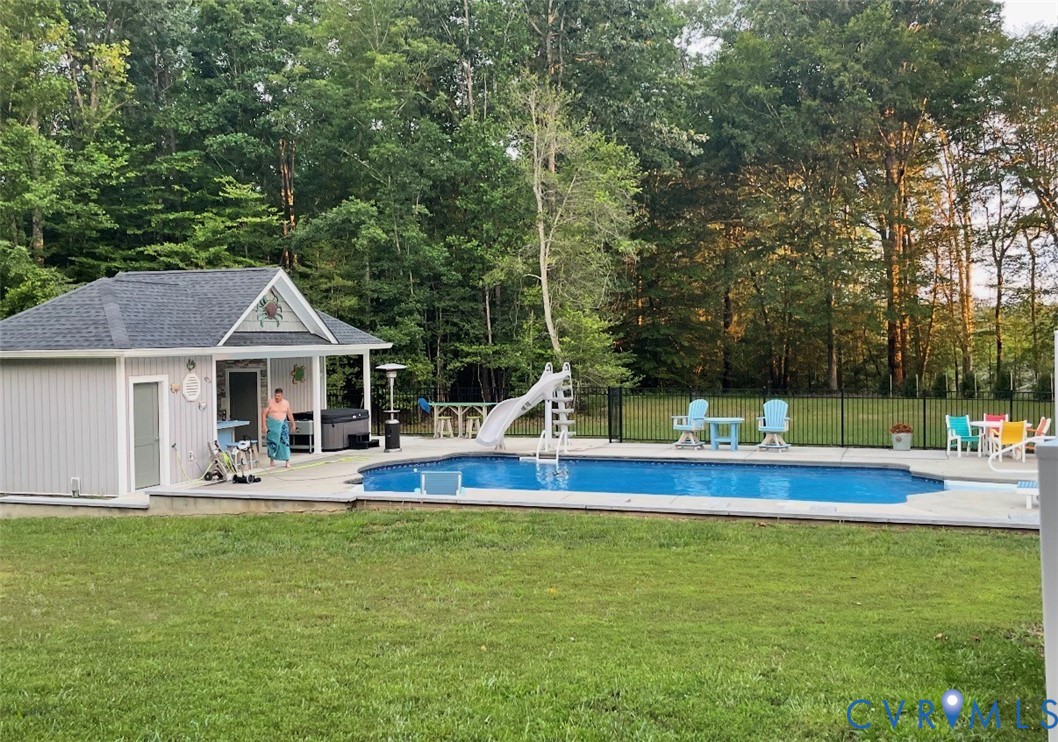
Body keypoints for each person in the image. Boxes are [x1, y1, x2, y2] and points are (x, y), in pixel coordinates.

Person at [262, 387, 297, 468]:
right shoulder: (270, 402)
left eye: (279, 396)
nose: (277, 398)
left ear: (282, 395)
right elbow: (263, 413)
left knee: (285, 441)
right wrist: (263, 425)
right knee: (272, 442)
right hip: (272, 423)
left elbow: (289, 414)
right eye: (276, 396)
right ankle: (272, 460)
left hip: (283, 423)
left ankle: (287, 461)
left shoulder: (286, 403)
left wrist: (293, 424)